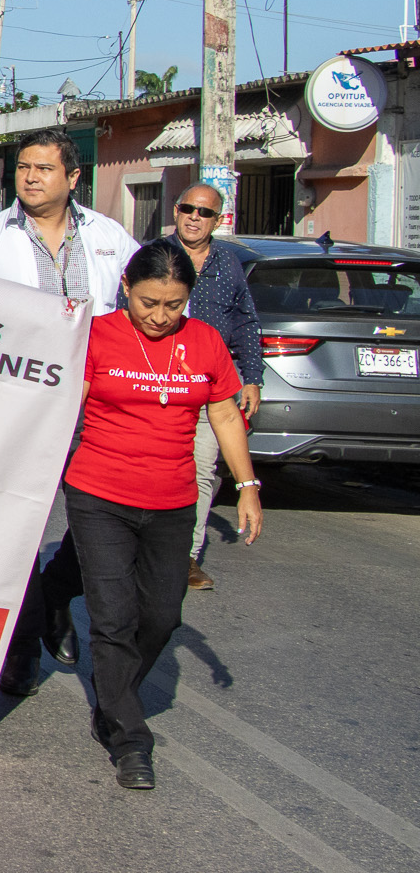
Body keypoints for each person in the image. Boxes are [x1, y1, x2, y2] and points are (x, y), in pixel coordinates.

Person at [64, 241, 264, 789]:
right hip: (99, 495)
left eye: (173, 305)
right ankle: (130, 738)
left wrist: (248, 486)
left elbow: (225, 414)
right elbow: (63, 407)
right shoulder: (96, 336)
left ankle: (114, 700)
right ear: (126, 288)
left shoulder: (204, 342)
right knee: (113, 619)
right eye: (148, 302)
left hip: (174, 502)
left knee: (161, 617)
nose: (159, 316)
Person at [0, 127, 140, 695]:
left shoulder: (109, 237)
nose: (30, 177)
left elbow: (138, 310)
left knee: (103, 521)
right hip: (16, 407)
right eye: (23, 167)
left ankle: (57, 593)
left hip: (96, 408)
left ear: (73, 177)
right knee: (17, 528)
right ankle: (21, 644)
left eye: (44, 168)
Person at [160, 183, 263, 590]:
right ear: (176, 210)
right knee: (158, 467)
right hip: (158, 382)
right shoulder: (155, 255)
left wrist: (251, 377)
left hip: (210, 387)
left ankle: (185, 557)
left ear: (217, 221)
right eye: (188, 208)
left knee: (201, 470)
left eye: (204, 212)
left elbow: (245, 321)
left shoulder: (228, 263)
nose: (194, 217)